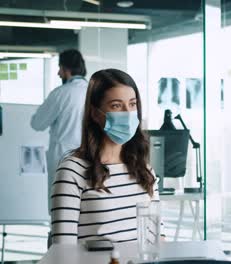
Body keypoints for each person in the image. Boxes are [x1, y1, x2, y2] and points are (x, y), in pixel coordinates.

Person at [50, 69, 163, 244]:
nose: (127, 113)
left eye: (132, 104)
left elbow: (158, 239)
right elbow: (63, 250)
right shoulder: (72, 170)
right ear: (95, 114)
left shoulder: (144, 169)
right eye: (116, 106)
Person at [31, 49, 88, 209]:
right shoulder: (94, 92)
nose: (58, 73)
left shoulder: (60, 94)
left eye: (60, 68)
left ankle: (58, 233)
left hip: (62, 157)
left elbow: (37, 123)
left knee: (61, 204)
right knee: (85, 202)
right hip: (89, 157)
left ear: (66, 69)